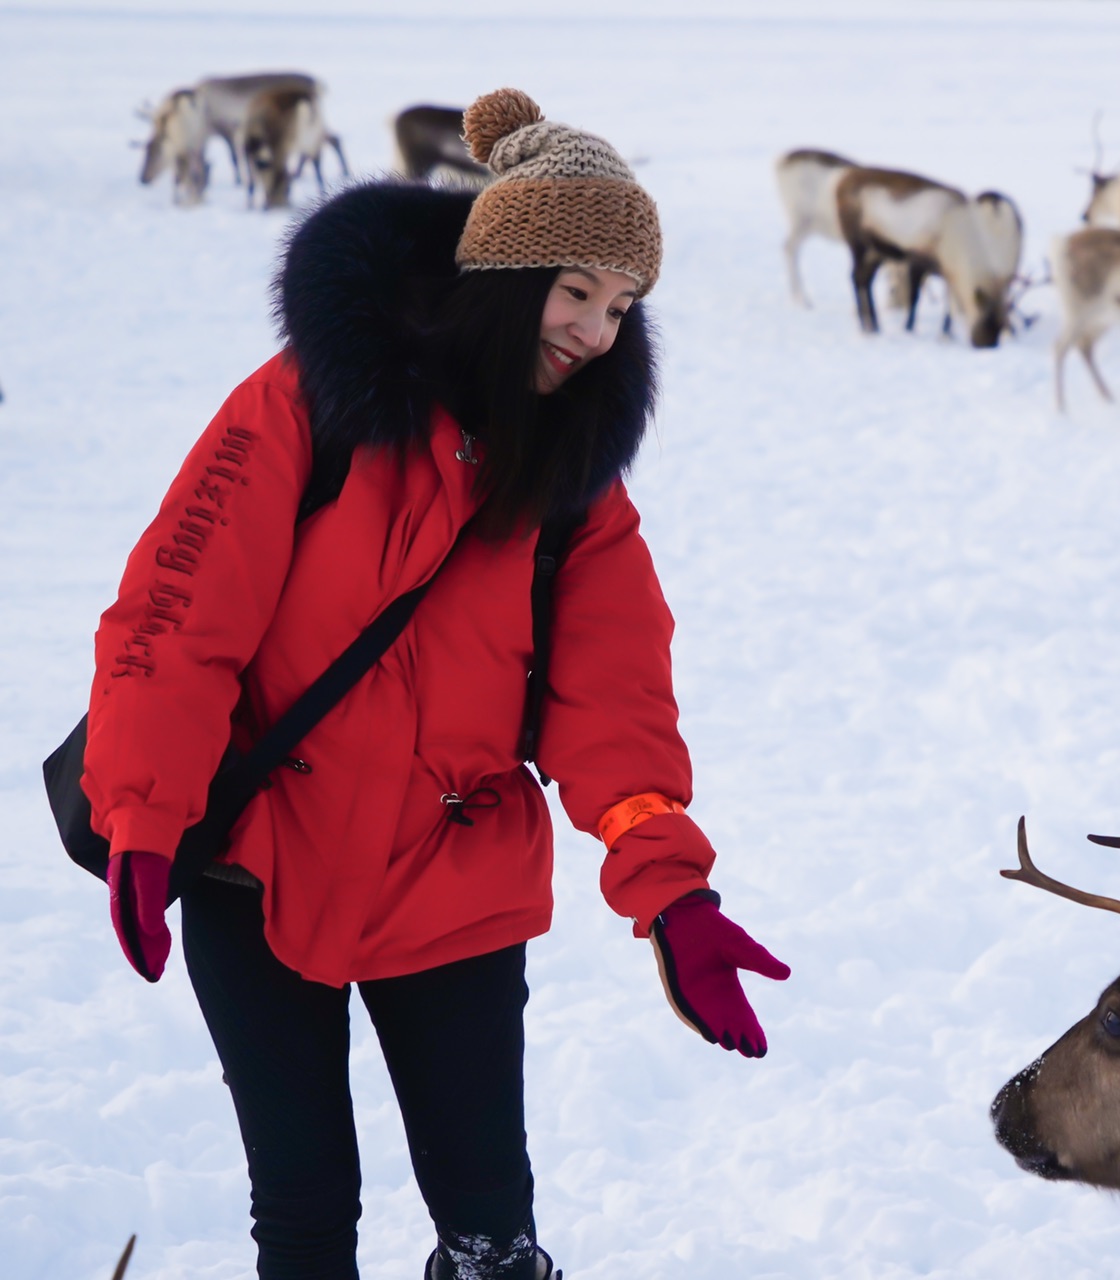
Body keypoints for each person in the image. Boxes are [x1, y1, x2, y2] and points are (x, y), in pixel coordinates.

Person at [82, 88, 788, 1280]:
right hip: (256, 861)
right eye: (576, 293)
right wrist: (144, 816)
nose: (598, 333)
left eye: (623, 307)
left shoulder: (576, 488)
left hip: (454, 881)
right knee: (305, 1216)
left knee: (492, 1234)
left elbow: (612, 712)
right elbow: (173, 619)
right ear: (508, 273)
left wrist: (671, 888)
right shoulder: (307, 406)